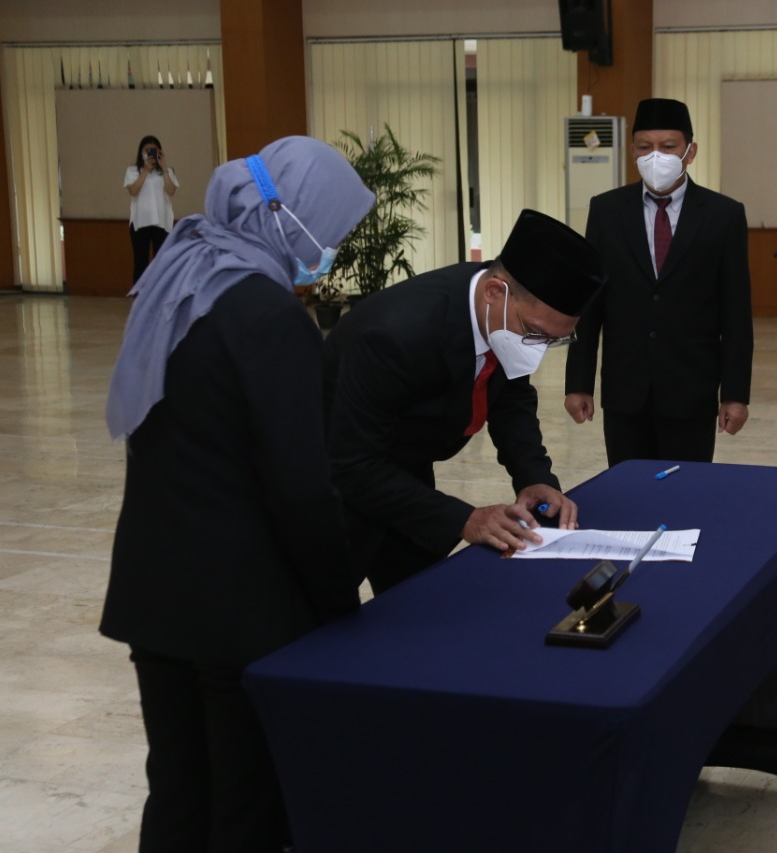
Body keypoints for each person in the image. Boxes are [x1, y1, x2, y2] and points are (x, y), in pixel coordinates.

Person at [101, 136, 374, 850]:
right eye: (333, 230)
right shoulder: (270, 315)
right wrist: (338, 600)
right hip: (239, 610)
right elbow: (300, 488)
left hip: (155, 594)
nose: (332, 249)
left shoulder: (177, 279)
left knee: (178, 792)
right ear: (291, 217)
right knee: (246, 806)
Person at [323, 208, 606, 595]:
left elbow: (511, 398)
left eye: (553, 340)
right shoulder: (393, 335)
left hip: (408, 475)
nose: (538, 350)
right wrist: (465, 519)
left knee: (419, 600)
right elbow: (352, 463)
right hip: (333, 490)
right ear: (494, 292)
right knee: (327, 613)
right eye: (535, 333)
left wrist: (534, 477)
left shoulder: (505, 318)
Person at [564, 97, 753, 466]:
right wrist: (578, 383)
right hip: (625, 390)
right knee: (627, 489)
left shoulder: (723, 215)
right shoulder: (606, 210)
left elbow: (736, 313)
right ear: (633, 151)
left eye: (668, 147)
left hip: (691, 390)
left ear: (690, 152)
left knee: (686, 490)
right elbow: (590, 305)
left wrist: (735, 394)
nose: (656, 156)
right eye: (644, 146)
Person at [125, 135, 180, 283]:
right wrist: (145, 171)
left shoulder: (167, 171)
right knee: (140, 262)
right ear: (141, 153)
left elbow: (171, 191)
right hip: (140, 223)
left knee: (161, 263)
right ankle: (140, 295)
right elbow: (133, 191)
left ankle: (159, 293)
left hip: (162, 223)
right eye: (147, 151)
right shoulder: (132, 171)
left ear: (159, 152)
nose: (150, 154)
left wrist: (164, 169)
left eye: (154, 151)